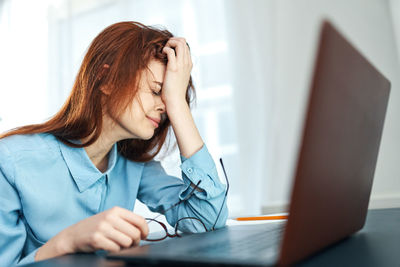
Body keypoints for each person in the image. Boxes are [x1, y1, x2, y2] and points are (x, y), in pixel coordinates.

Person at [0, 21, 228, 266]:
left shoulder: (135, 165)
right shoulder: (11, 160)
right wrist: (66, 242)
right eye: (155, 91)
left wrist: (178, 104)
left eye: (169, 98)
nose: (164, 108)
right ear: (106, 77)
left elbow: (208, 219)